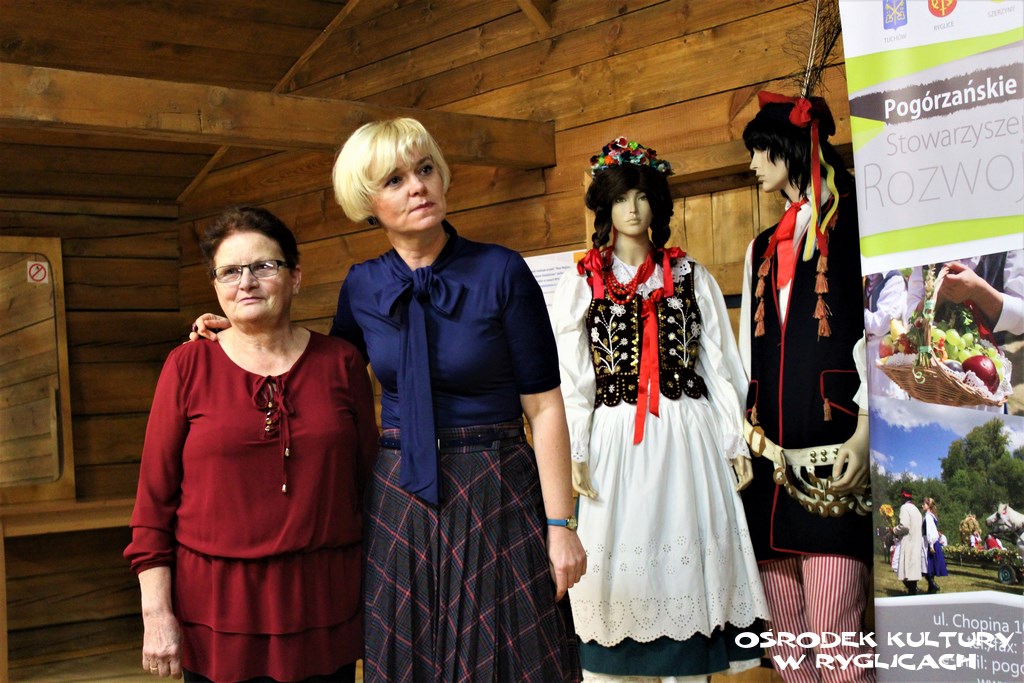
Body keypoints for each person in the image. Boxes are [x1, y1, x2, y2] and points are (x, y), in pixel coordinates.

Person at [126, 207, 378, 682]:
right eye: (230, 271)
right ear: (216, 286)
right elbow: (153, 504)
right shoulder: (187, 366)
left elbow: (369, 487)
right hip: (216, 610)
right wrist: (156, 614)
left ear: (295, 276)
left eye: (264, 266)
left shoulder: (342, 363)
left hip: (323, 605)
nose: (246, 282)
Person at [552, 138, 770, 681]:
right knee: (617, 565)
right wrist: (576, 448)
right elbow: (573, 379)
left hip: (687, 437)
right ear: (605, 206)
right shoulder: (582, 282)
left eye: (642, 196)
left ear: (657, 204)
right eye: (620, 198)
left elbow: (719, 365)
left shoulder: (692, 276)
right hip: (615, 439)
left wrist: (734, 438)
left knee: (685, 565)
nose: (632, 209)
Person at [738, 91, 874, 681]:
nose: (752, 165)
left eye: (759, 152)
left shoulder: (859, 226)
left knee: (840, 649)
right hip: (771, 474)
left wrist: (866, 426)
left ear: (790, 148)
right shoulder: (761, 247)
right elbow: (747, 355)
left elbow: (884, 330)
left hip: (835, 468)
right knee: (790, 653)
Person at [863, 270, 908, 398]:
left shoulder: (894, 279)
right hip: (868, 356)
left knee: (888, 401)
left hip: (886, 358)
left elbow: (880, 325)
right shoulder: (867, 280)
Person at [893, 490, 924, 595]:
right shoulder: (916, 510)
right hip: (916, 542)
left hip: (908, 541)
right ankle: (913, 590)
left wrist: (895, 530)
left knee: (906, 569)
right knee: (912, 570)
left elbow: (905, 526)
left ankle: (912, 592)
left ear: (904, 498)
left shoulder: (904, 508)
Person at [921, 497, 948, 594]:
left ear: (928, 506)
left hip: (929, 542)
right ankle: (931, 588)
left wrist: (931, 545)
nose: (922, 506)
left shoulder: (928, 516)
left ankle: (933, 585)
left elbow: (930, 532)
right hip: (931, 542)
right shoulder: (931, 516)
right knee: (930, 565)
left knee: (926, 565)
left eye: (924, 504)